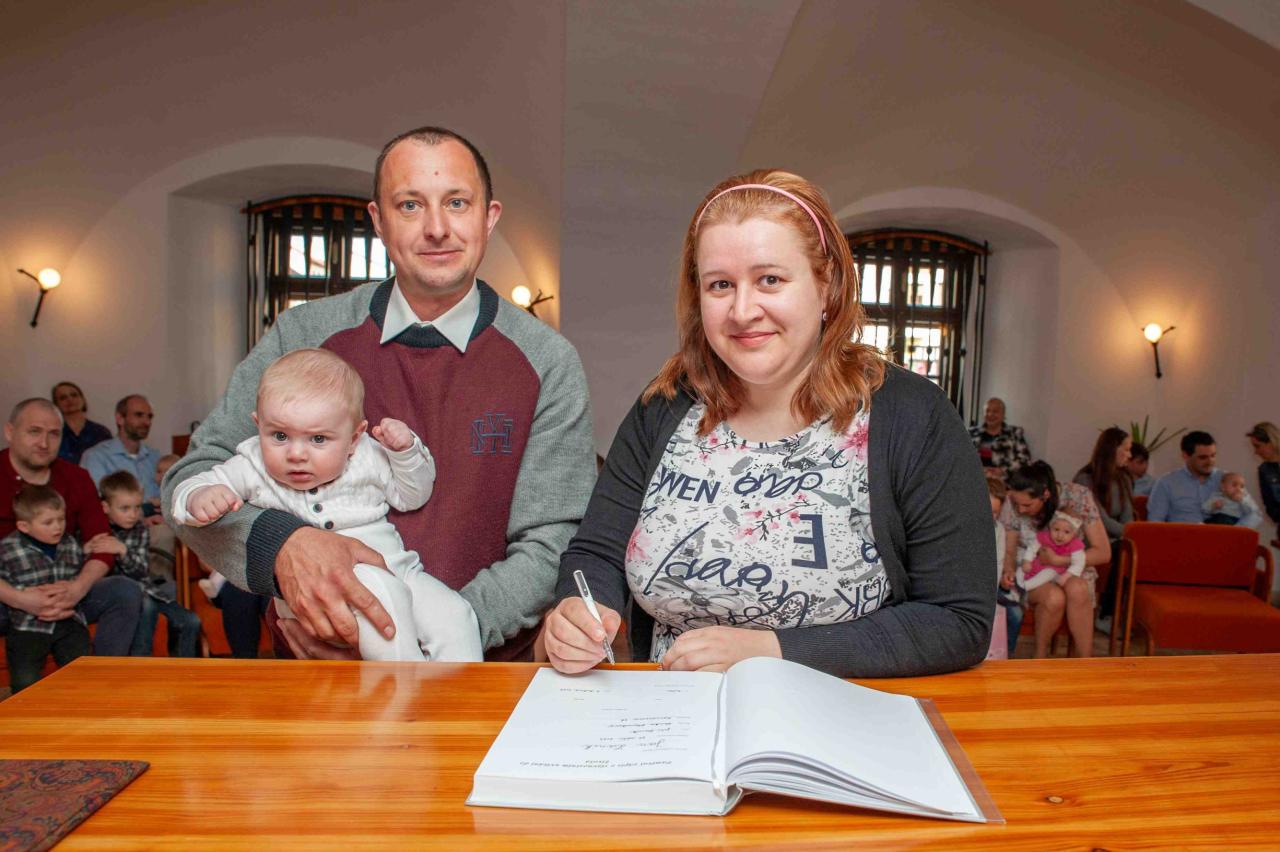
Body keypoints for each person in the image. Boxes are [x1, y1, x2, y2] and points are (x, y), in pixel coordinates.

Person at [162, 126, 595, 661]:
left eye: (457, 203)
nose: (437, 228)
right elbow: (191, 479)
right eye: (410, 204)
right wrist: (283, 547)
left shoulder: (546, 361)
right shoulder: (303, 335)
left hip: (480, 673)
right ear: (378, 220)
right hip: (316, 670)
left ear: (489, 217)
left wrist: (414, 640)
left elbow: (553, 542)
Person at [542, 169, 994, 679]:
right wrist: (578, 610)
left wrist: (774, 651)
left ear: (827, 284)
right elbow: (596, 551)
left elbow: (957, 619)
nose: (742, 311)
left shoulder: (911, 416)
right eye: (720, 285)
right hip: (674, 713)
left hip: (843, 711)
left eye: (770, 280)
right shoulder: (664, 407)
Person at [172, 349, 482, 662]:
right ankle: (405, 691)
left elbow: (412, 495)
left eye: (318, 439)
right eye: (279, 435)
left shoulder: (369, 456)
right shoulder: (252, 465)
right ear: (258, 425)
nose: (296, 454)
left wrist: (406, 454)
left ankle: (466, 691)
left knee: (455, 615)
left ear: (354, 438)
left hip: (400, 571)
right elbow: (185, 488)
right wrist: (198, 498)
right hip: (320, 592)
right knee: (384, 603)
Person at [1, 399, 142, 656]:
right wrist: (18, 598)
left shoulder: (77, 478)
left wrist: (77, 589)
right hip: (6, 594)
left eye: (54, 434)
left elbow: (102, 545)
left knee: (125, 590)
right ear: (10, 432)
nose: (44, 443)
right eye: (34, 431)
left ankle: (103, 676)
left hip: (68, 587)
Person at [1002, 461, 1109, 659]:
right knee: (1054, 597)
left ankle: (1085, 661)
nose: (1021, 510)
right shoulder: (1013, 500)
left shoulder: (1079, 496)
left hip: (1073, 567)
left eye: (1027, 505)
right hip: (1032, 571)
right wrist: (1008, 570)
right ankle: (1040, 658)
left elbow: (1103, 552)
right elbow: (1009, 549)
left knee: (1078, 588)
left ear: (1045, 495)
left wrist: (1060, 560)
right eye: (1017, 504)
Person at [95, 471, 202, 657]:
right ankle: (142, 662)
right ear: (105, 507)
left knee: (191, 621)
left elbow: (140, 571)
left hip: (149, 590)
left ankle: (183, 668)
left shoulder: (140, 530)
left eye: (137, 507)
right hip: (127, 599)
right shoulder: (98, 531)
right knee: (147, 606)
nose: (133, 514)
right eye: (125, 509)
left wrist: (123, 551)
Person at [0, 486, 92, 692]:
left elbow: (77, 575)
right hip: (28, 625)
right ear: (24, 526)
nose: (57, 527)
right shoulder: (8, 548)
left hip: (68, 620)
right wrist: (22, 595)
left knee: (83, 675)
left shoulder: (70, 543)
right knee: (25, 681)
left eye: (61, 519)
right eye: (48, 522)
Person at [1073, 426, 1134, 621]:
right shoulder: (1085, 478)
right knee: (1123, 549)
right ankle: (1106, 615)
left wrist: (1131, 533)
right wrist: (1130, 534)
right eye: (1126, 449)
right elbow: (1100, 519)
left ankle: (1122, 613)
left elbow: (1127, 516)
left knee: (1130, 548)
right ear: (1112, 449)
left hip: (1115, 538)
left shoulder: (1124, 478)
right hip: (1089, 539)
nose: (1129, 455)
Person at [1147, 431, 1262, 528]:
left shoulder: (1230, 480)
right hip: (1184, 542)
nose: (1210, 461)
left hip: (1223, 541)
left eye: (1213, 455)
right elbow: (1155, 523)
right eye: (1203, 457)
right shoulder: (1166, 483)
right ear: (1185, 456)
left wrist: (1233, 532)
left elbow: (1255, 514)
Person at [81, 395, 163, 515]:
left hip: (160, 522)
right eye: (139, 415)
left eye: (149, 416)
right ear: (120, 419)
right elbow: (97, 505)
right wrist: (145, 512)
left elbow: (167, 497)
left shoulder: (155, 457)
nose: (147, 422)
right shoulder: (95, 457)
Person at [1018, 512, 1086, 592]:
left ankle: (1025, 587)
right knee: (1022, 569)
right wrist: (1027, 560)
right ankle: (1017, 582)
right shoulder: (1045, 536)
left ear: (1074, 534)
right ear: (1050, 527)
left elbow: (1079, 562)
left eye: (1066, 532)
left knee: (1048, 573)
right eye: (1056, 529)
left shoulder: (1075, 545)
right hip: (1039, 562)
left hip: (1057, 570)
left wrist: (1067, 575)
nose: (1060, 535)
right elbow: (1032, 548)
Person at [969, 397, 1031, 482]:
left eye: (995, 411)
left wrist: (1003, 470)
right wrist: (978, 469)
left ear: (1003, 415)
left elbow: (1025, 460)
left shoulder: (1014, 433)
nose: (990, 414)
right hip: (975, 480)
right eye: (987, 411)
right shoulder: (971, 433)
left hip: (1004, 483)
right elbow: (961, 457)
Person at [51, 381, 112, 464]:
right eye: (63, 398)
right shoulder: (53, 433)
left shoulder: (101, 432)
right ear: (56, 405)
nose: (70, 399)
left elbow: (110, 462)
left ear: (83, 400)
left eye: (74, 395)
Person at [1247, 422, 1280, 524]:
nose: (1256, 452)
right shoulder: (1264, 470)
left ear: (1271, 442)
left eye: (1257, 446)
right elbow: (1270, 508)